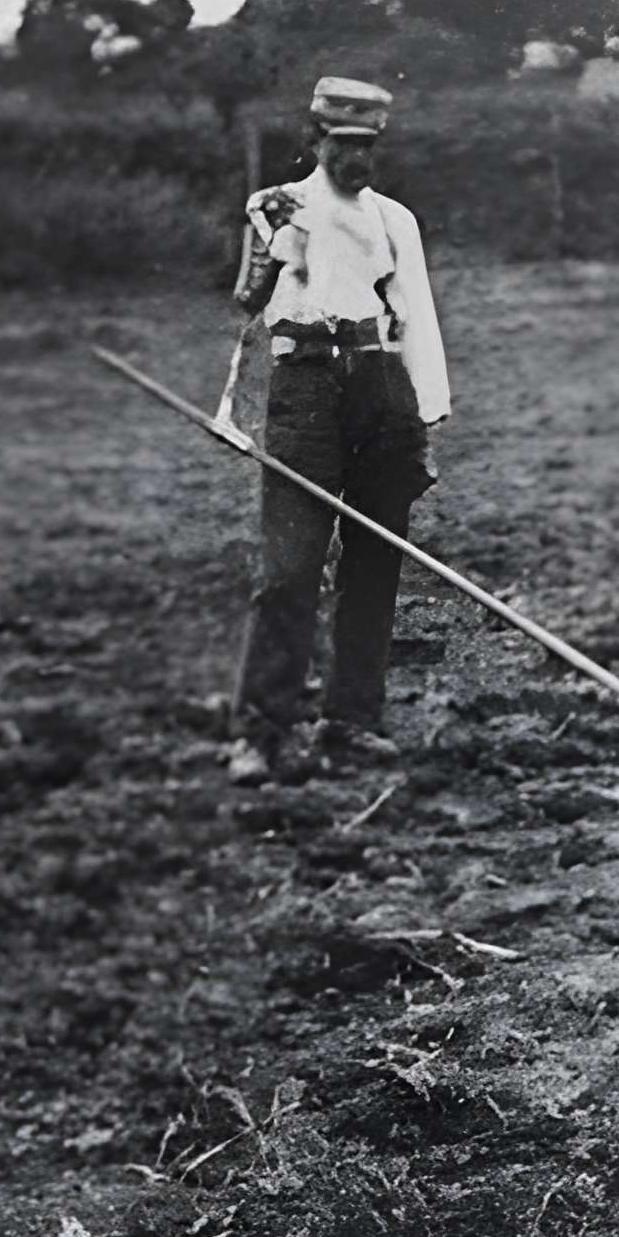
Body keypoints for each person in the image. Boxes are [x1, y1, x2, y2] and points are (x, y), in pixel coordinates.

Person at [222, 75, 450, 787]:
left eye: (367, 145)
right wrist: (275, 236)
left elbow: (417, 313)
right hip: (306, 389)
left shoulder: (394, 220)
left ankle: (352, 719)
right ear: (314, 140)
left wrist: (425, 417)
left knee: (375, 561)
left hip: (381, 389)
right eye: (342, 143)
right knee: (289, 570)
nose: (356, 158)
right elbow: (248, 300)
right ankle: (262, 731)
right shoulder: (275, 206)